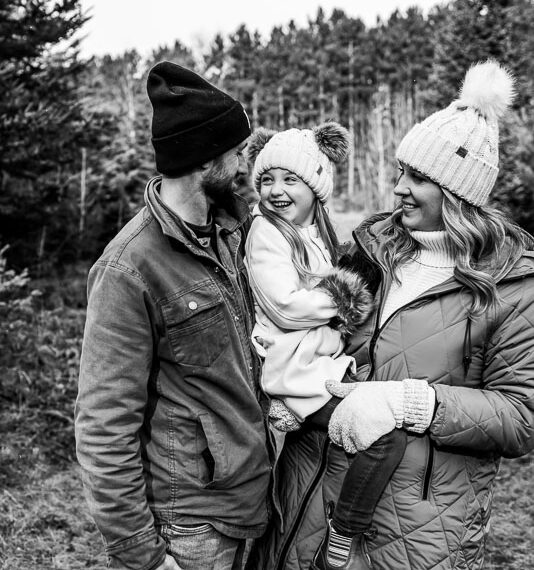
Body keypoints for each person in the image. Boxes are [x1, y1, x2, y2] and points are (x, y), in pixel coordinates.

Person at [246, 60, 534, 570]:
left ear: (459, 192)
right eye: (401, 170)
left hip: (414, 532)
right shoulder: (371, 250)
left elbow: (521, 416)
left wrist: (411, 403)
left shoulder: (510, 284)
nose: (399, 187)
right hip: (306, 501)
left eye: (418, 177)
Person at [75, 61, 273, 570]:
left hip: (251, 504)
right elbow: (103, 425)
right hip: (188, 529)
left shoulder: (229, 231)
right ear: (206, 160)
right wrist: (142, 554)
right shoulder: (128, 268)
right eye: (238, 153)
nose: (245, 164)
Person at [245, 123, 434, 570]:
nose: (275, 190)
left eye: (290, 179)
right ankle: (344, 533)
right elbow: (288, 308)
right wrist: (343, 296)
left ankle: (297, 416)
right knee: (383, 436)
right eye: (267, 179)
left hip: (316, 361)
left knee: (380, 423)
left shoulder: (315, 233)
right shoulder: (266, 232)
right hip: (294, 368)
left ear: (316, 185)